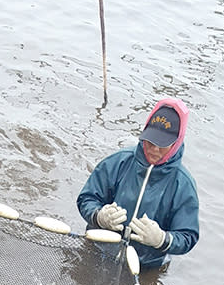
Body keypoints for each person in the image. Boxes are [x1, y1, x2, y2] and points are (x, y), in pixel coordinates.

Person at [76, 98, 199, 270]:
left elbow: (187, 236)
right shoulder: (117, 163)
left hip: (145, 266)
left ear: (176, 143)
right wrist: (99, 216)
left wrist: (162, 239)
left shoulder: (183, 186)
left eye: (162, 145)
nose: (154, 149)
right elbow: (86, 199)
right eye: (150, 141)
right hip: (98, 251)